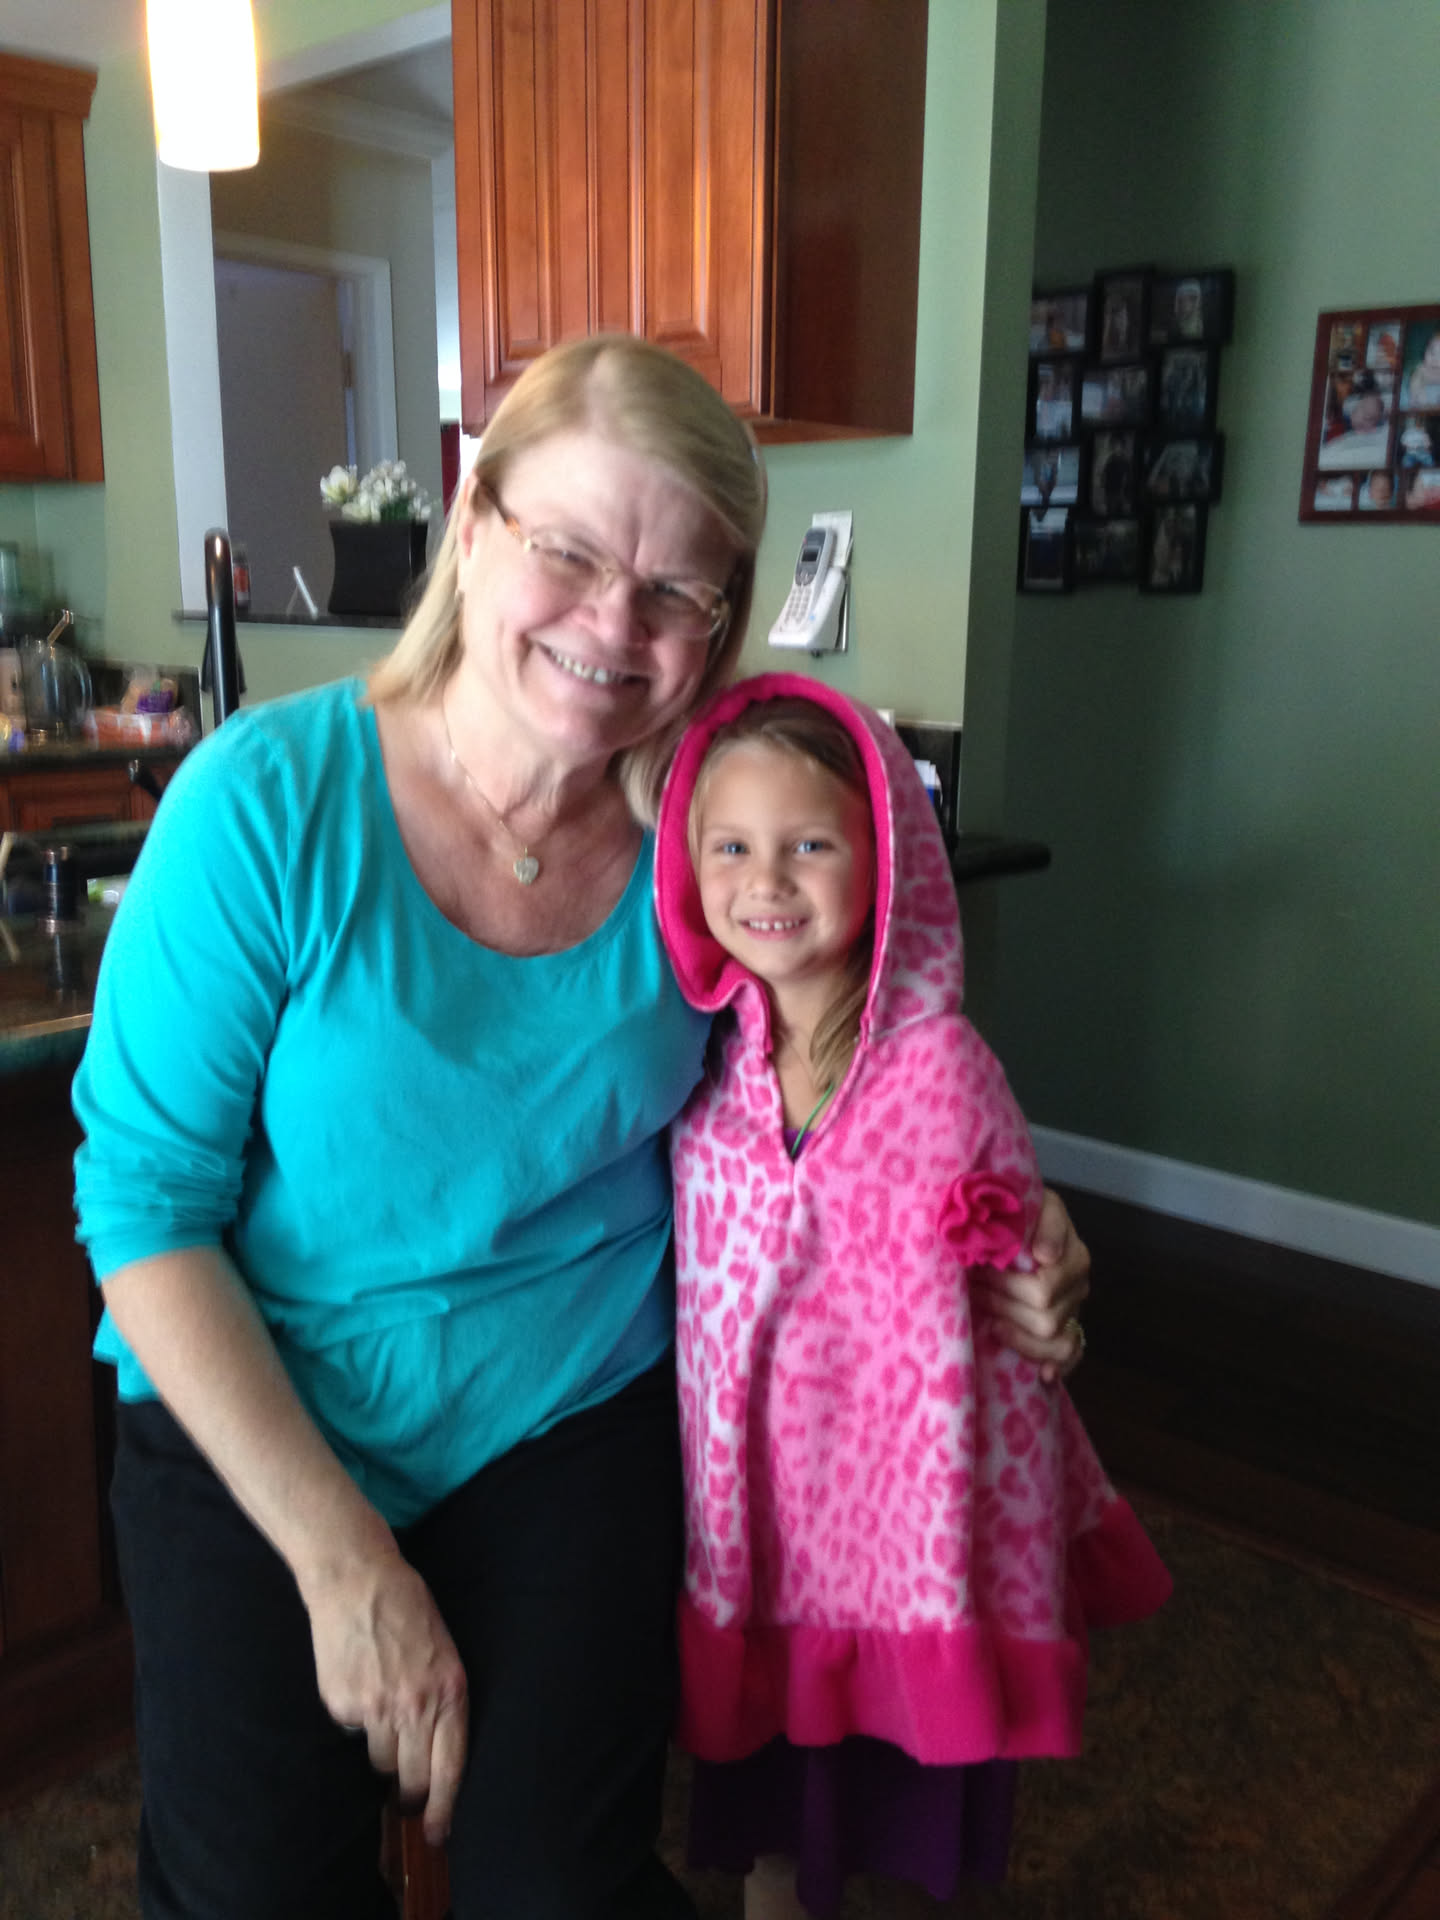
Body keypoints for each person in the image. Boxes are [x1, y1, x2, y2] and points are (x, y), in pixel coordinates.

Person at [71, 334, 1091, 1920]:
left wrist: (1005, 1207)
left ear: (721, 625)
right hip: (262, 1414)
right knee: (252, 1891)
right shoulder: (262, 804)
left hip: (568, 1416)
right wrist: (344, 1564)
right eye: (571, 551)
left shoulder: (706, 844)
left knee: (560, 1886)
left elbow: (864, 1066)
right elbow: (144, 1210)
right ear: (474, 524)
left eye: (677, 590)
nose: (616, 626)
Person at [654, 676, 1171, 1919]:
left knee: (899, 1834)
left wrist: (1047, 1295)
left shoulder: (945, 1073)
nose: (767, 881)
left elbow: (1020, 1293)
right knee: (771, 1844)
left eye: (810, 846)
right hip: (757, 1547)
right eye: (731, 847)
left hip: (911, 1557)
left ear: (885, 862)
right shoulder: (697, 1070)